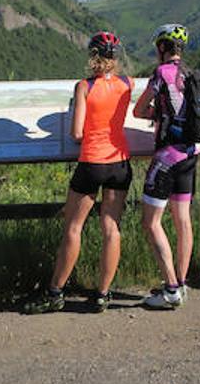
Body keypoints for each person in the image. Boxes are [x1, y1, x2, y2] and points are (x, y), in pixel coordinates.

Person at [29, 31, 132, 313]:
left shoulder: (84, 86)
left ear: (93, 56)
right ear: (115, 56)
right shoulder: (127, 84)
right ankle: (102, 294)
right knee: (111, 228)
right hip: (120, 162)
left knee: (74, 228)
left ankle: (55, 292)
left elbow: (76, 133)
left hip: (92, 162)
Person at [133, 22, 197, 309]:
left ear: (161, 48)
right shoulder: (191, 74)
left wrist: (154, 113)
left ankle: (170, 289)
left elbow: (138, 109)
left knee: (150, 222)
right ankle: (181, 283)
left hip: (167, 156)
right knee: (183, 220)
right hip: (189, 155)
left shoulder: (161, 73)